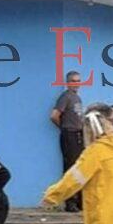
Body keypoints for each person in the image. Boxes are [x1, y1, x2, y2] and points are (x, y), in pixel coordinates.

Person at [50, 71, 85, 212]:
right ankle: (70, 202)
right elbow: (54, 116)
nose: (76, 84)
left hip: (78, 135)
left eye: (78, 81)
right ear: (68, 82)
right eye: (73, 81)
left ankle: (79, 201)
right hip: (69, 135)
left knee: (79, 167)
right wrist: (64, 128)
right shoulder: (65, 97)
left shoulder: (77, 98)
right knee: (70, 168)